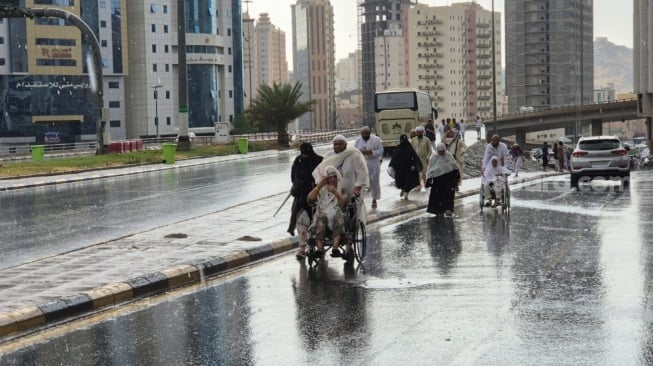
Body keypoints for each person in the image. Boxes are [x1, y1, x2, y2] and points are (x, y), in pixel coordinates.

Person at [288, 143, 323, 259]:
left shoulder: (319, 160)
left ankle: (319, 246)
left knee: (318, 221)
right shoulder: (298, 161)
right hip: (301, 198)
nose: (305, 156)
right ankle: (302, 248)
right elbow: (293, 177)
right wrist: (297, 185)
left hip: (317, 196)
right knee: (300, 221)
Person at [307, 166, 348, 258]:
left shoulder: (342, 189)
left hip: (338, 213)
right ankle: (320, 249)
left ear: (338, 177)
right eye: (330, 177)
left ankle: (335, 248)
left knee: (339, 217)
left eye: (334, 177)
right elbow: (309, 200)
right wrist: (320, 185)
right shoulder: (322, 190)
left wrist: (335, 192)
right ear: (326, 179)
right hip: (323, 215)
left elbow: (343, 204)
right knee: (321, 219)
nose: (332, 179)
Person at [425, 143, 460, 216]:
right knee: (437, 195)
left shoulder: (448, 155)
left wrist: (456, 174)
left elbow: (454, 165)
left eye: (443, 151)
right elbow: (430, 168)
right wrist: (429, 178)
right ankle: (438, 210)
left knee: (448, 194)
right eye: (440, 151)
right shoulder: (434, 157)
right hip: (437, 179)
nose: (442, 153)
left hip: (448, 178)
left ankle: (448, 209)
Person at [354, 126, 384, 209]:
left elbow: (381, 151)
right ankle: (359, 201)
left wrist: (371, 152)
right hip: (362, 164)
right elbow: (354, 151)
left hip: (373, 164)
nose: (364, 135)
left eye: (366, 133)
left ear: (370, 133)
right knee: (361, 183)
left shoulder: (376, 140)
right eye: (363, 133)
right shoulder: (358, 141)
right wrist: (360, 152)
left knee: (374, 183)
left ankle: (374, 199)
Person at [388, 134, 422, 200]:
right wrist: (392, 165)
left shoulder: (409, 147)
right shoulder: (398, 148)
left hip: (409, 168)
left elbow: (414, 157)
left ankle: (406, 193)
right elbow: (394, 157)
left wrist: (413, 165)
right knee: (400, 181)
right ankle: (403, 189)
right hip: (400, 168)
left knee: (409, 180)